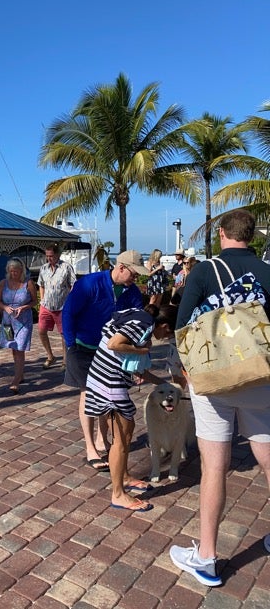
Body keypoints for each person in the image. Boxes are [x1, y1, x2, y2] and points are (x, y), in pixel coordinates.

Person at [169, 211, 270, 587]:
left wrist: (184, 370)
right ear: (252, 236)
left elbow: (182, 325)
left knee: (214, 466)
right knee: (268, 458)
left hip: (214, 377)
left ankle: (207, 558)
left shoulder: (204, 270)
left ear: (223, 234)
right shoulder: (267, 270)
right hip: (260, 376)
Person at [61, 250, 147, 473]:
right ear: (121, 268)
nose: (135, 279)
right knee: (88, 394)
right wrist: (70, 344)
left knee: (108, 395)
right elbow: (68, 313)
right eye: (134, 274)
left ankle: (102, 439)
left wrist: (138, 358)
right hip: (83, 346)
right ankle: (90, 447)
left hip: (111, 352)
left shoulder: (133, 293)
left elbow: (137, 328)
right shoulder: (89, 284)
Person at [85, 306, 159, 513]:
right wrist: (142, 350)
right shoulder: (145, 322)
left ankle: (124, 477)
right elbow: (114, 344)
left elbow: (137, 369)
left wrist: (163, 383)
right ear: (162, 325)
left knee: (123, 434)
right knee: (123, 439)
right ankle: (118, 494)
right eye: (167, 333)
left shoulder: (133, 315)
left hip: (100, 378)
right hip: (109, 384)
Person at [0, 258, 35, 394]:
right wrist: (4, 307)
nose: (14, 274)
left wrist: (24, 307)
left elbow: (34, 301)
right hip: (8, 321)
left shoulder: (28, 283)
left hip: (24, 321)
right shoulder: (3, 283)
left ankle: (16, 380)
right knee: (13, 347)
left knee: (20, 348)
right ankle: (21, 373)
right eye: (12, 272)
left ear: (21, 271)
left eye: (16, 272)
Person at [37, 245, 76, 369]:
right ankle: (50, 356)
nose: (49, 258)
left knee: (64, 334)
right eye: (47, 256)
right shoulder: (43, 268)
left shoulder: (66, 267)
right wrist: (42, 300)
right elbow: (41, 284)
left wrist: (71, 303)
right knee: (41, 331)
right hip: (46, 306)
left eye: (51, 256)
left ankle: (65, 360)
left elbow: (73, 285)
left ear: (58, 255)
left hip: (62, 306)